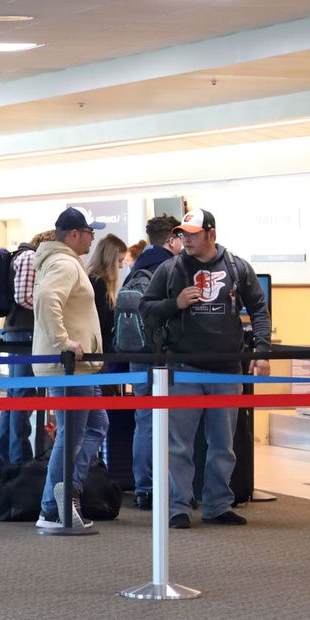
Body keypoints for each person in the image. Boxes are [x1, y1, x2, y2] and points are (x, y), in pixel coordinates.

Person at [139, 208, 270, 528]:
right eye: (182, 234)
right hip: (183, 368)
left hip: (226, 369)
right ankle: (177, 507)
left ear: (211, 234)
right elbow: (146, 310)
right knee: (178, 445)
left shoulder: (238, 267)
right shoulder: (169, 269)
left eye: (193, 234)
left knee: (223, 445)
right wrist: (176, 303)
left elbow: (259, 309)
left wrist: (262, 351)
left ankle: (217, 505)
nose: (186, 239)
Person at [32, 207, 109, 531]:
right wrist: (64, 341)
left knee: (95, 425)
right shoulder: (64, 263)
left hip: (78, 368)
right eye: (90, 232)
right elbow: (48, 298)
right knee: (72, 434)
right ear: (75, 234)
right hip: (68, 368)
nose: (93, 237)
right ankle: (53, 507)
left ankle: (66, 494)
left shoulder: (63, 262)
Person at [124, 215, 182, 510]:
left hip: (136, 352)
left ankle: (144, 488)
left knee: (144, 422)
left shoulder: (137, 266)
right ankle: (166, 487)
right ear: (172, 239)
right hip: (162, 353)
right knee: (171, 425)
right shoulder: (169, 267)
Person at [0, 230, 53, 477]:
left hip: (20, 332)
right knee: (22, 398)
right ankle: (19, 459)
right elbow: (24, 297)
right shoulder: (29, 257)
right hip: (24, 333)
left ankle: (3, 460)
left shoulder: (24, 255)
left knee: (15, 398)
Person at [86, 233, 128, 356]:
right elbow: (101, 321)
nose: (121, 266)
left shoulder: (93, 279)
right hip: (101, 349)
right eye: (119, 261)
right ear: (109, 259)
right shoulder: (99, 283)